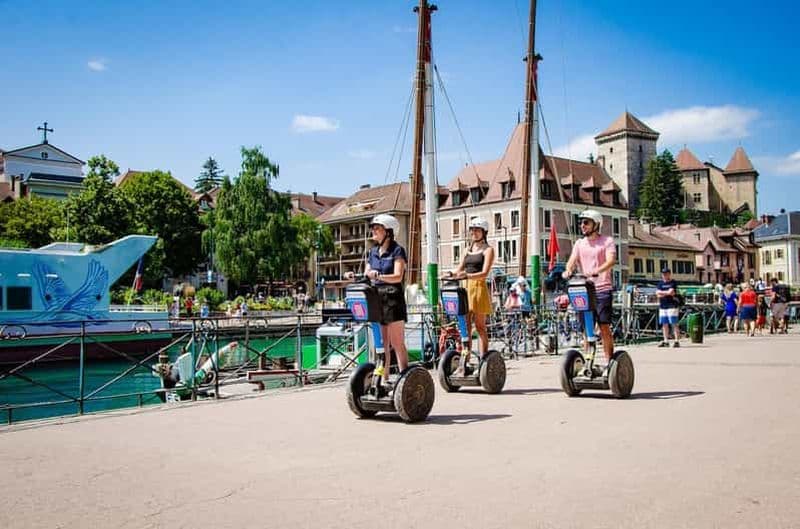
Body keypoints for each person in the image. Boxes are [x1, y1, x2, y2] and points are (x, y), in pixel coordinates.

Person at [344, 214, 408, 386]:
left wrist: (379, 276)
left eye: (377, 228)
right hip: (376, 299)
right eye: (373, 228)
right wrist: (353, 276)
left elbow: (398, 276)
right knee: (382, 343)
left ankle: (405, 379)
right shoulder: (372, 252)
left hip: (393, 299)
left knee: (397, 343)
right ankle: (383, 380)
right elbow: (367, 274)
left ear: (388, 232)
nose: (373, 231)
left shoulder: (397, 250)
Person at [562, 209, 617, 364]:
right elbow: (571, 261)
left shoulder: (607, 241)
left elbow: (611, 261)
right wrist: (568, 270)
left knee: (604, 326)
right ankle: (588, 362)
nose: (582, 225)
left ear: (596, 224)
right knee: (587, 329)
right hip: (584, 290)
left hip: (602, 289)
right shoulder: (579, 244)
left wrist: (596, 271)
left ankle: (609, 361)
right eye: (581, 222)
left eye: (586, 222)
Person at [445, 217, 496, 359]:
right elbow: (459, 269)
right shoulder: (467, 250)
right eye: (472, 230)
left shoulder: (488, 250)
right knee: (465, 327)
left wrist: (467, 275)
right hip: (465, 289)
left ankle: (484, 357)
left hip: (478, 288)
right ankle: (465, 359)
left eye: (477, 230)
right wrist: (450, 274)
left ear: (484, 232)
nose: (474, 232)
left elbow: (484, 273)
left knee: (480, 326)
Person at [656, 267, 681, 347]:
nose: (664, 275)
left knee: (674, 323)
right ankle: (666, 341)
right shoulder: (660, 283)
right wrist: (667, 293)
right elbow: (657, 294)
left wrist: (662, 293)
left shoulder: (673, 282)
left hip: (672, 305)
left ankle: (676, 341)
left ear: (669, 274)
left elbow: (671, 292)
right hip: (663, 306)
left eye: (666, 274)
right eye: (663, 274)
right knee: (664, 324)